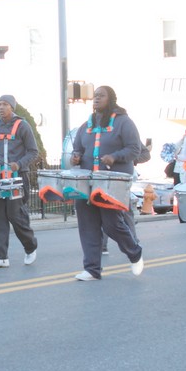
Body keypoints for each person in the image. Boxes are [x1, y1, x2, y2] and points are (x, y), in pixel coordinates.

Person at [69, 85, 144, 281]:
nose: (96, 99)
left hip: (111, 183)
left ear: (110, 99)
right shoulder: (86, 125)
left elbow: (135, 149)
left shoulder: (123, 122)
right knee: (87, 225)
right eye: (94, 96)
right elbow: (77, 148)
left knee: (111, 225)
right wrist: (75, 157)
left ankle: (134, 251)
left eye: (101, 96)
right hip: (87, 183)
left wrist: (115, 157)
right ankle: (92, 269)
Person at [0, 95, 39, 268]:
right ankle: (0, 256)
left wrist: (19, 164)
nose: (1, 107)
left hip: (17, 178)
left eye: (5, 104)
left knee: (15, 215)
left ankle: (30, 246)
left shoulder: (23, 126)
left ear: (12, 107)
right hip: (0, 177)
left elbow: (33, 151)